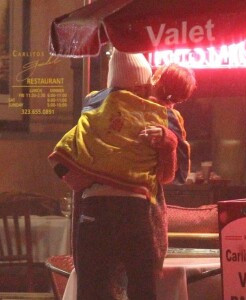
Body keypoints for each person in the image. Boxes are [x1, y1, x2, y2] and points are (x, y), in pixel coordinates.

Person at [49, 49, 196, 300]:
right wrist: (169, 142)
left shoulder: (94, 105)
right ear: (142, 82)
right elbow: (170, 176)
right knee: (142, 288)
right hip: (135, 212)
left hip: (92, 212)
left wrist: (72, 175)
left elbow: (61, 154)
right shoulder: (164, 117)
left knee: (92, 290)